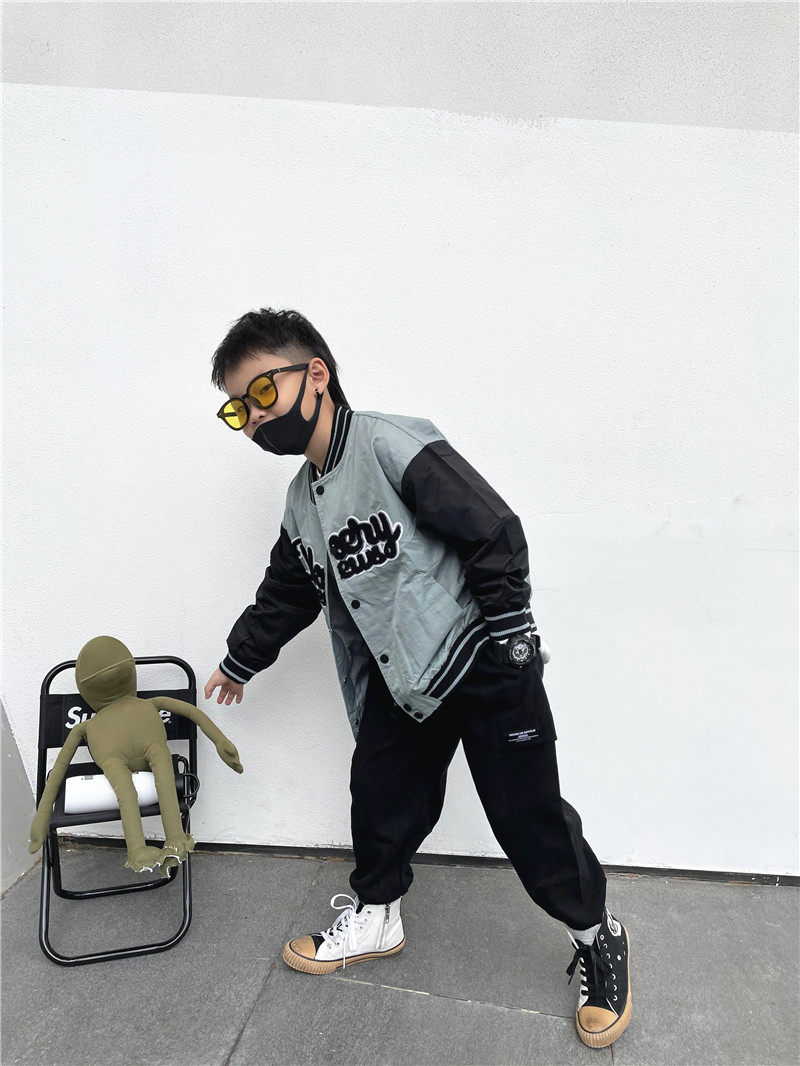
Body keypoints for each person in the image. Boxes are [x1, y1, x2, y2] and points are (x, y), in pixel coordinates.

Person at [204, 307, 632, 1049]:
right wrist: (241, 659)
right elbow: (290, 589)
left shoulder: (390, 442)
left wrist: (512, 639)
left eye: (262, 392)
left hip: (483, 658)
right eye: (238, 408)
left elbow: (493, 528)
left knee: (527, 818)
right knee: (380, 798)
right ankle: (377, 917)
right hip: (404, 682)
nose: (254, 417)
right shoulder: (303, 501)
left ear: (316, 375)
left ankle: (597, 934)